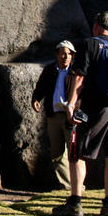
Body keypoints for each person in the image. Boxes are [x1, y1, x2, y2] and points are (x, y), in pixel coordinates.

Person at [52, 11, 108, 216]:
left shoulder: (90, 44)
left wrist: (71, 104)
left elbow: (79, 77)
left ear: (96, 26)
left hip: (98, 107)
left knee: (77, 153)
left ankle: (75, 202)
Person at [31, 40, 77, 189]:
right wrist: (36, 99)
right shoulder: (50, 70)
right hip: (54, 116)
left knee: (74, 152)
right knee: (56, 154)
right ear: (57, 54)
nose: (66, 56)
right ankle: (67, 185)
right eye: (63, 53)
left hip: (71, 117)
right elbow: (40, 87)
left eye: (69, 54)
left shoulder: (76, 72)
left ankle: (77, 185)